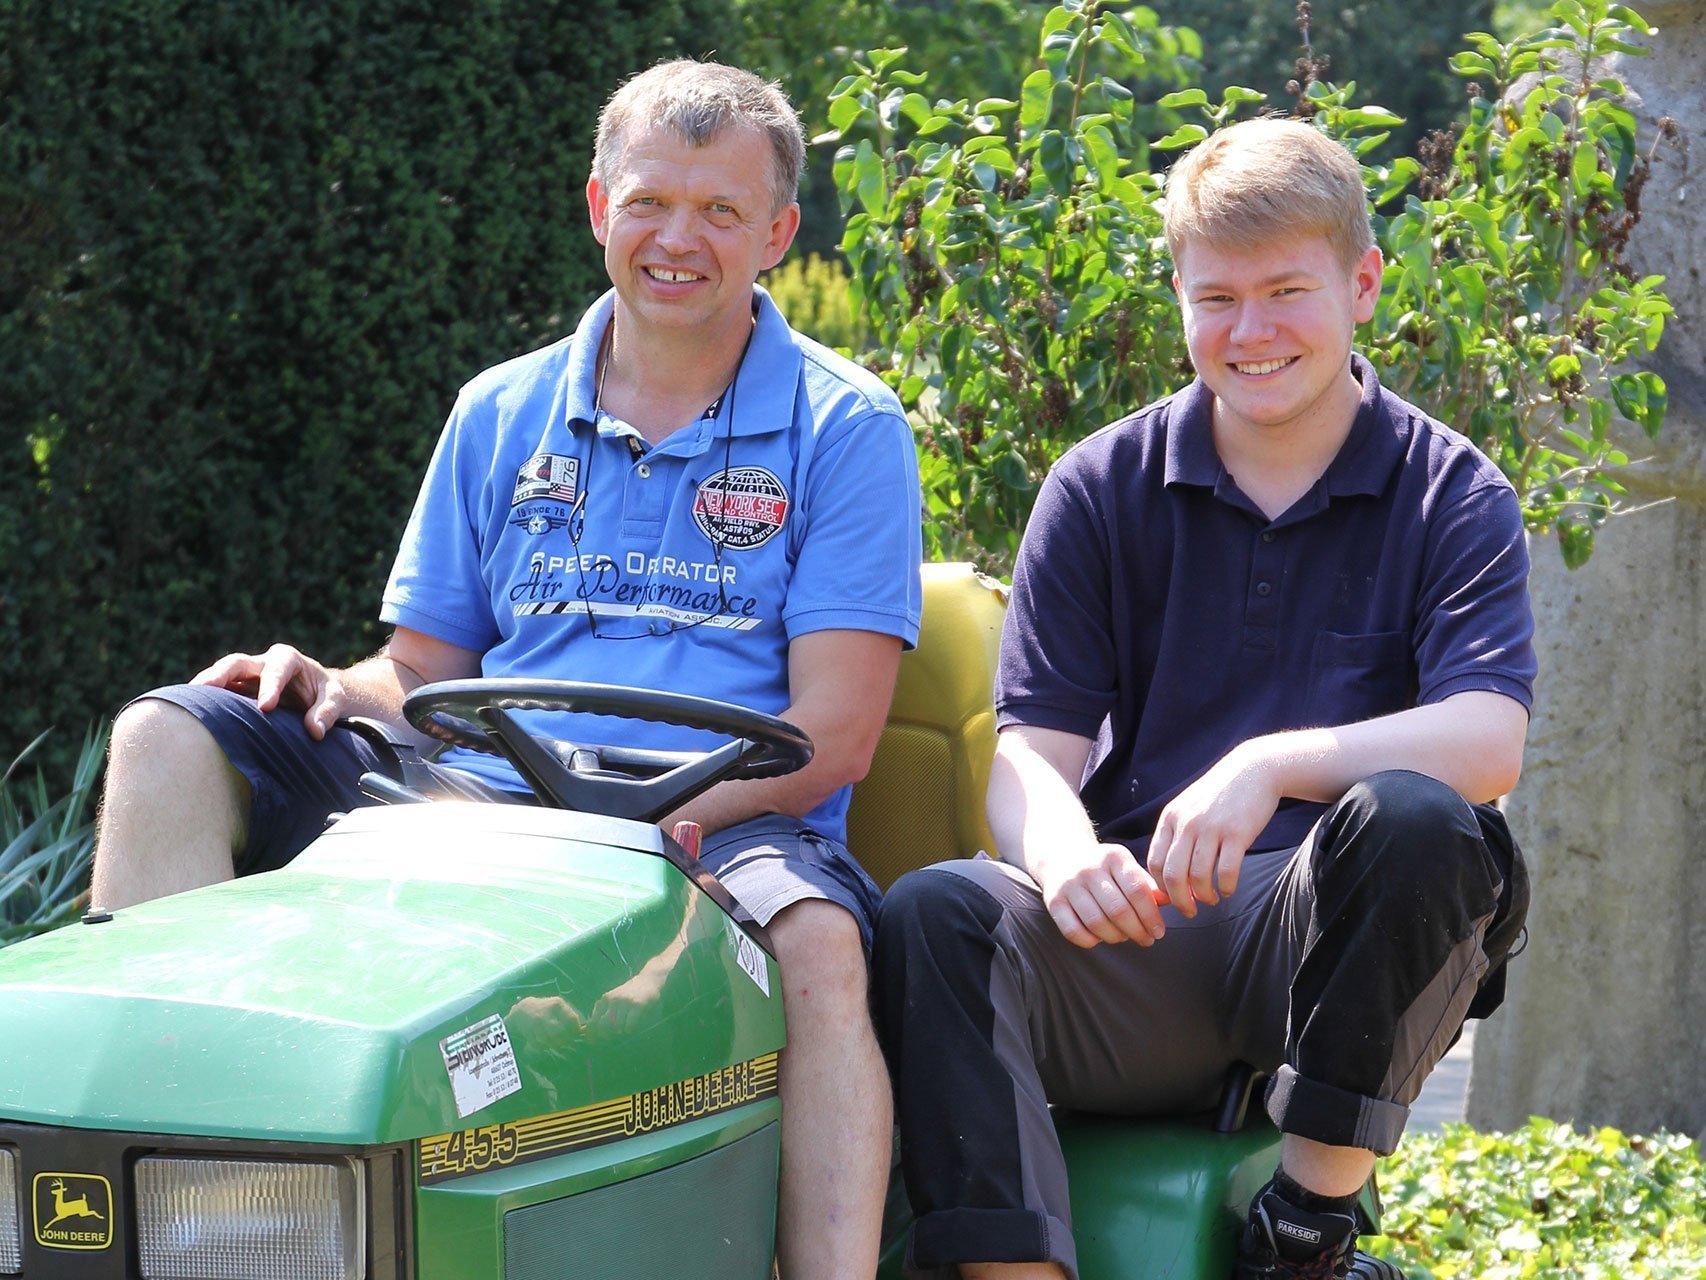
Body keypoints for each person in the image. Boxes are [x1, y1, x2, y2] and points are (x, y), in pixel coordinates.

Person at [90, 60, 921, 1280]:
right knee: (170, 730)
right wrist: (328, 676)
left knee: (819, 946)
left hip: (728, 813)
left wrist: (669, 814)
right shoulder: (499, 407)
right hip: (489, 798)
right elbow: (420, 663)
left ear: (778, 235)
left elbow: (833, 737)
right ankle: (162, 1179)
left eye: (719, 212)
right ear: (597, 207)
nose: (675, 238)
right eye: (647, 201)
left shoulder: (845, 428)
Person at [873, 117, 1533, 1280]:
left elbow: (1488, 740)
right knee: (936, 905)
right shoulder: (1097, 486)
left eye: (1286, 290)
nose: (1251, 330)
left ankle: (1301, 1235)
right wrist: (1062, 848)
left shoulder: (1450, 491)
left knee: (1427, 818)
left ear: (1362, 284)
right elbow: (1031, 747)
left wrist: (1271, 760)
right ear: (1177, 293)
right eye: (1215, 297)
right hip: (1137, 939)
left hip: (1326, 948)